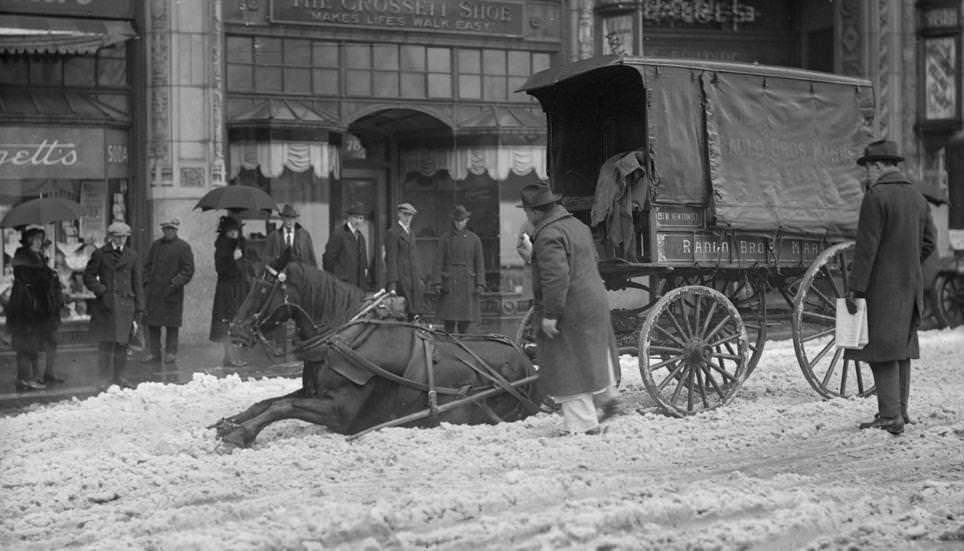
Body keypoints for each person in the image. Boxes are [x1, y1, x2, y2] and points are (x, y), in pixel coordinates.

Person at [846, 139, 937, 436]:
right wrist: (908, 263)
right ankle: (901, 410)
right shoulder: (917, 197)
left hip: (882, 287)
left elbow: (866, 248)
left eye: (868, 168)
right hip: (910, 285)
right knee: (902, 348)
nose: (867, 174)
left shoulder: (876, 196)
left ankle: (889, 416)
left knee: (881, 349)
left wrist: (856, 288)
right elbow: (930, 242)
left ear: (878, 166)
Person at [518, 183, 620, 435]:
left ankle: (583, 426)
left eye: (527, 212)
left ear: (535, 211)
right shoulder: (577, 226)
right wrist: (535, 255)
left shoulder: (548, 235)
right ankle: (607, 399)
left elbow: (556, 278)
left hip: (570, 308)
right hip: (593, 301)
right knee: (593, 355)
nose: (527, 217)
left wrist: (551, 315)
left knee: (567, 364)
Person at [84, 222, 144, 389]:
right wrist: (101, 290)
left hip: (125, 305)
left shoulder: (132, 255)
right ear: (111, 237)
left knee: (122, 344)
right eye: (117, 237)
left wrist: (140, 307)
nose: (121, 240)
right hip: (106, 305)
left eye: (124, 237)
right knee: (105, 343)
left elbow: (137, 282)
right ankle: (103, 378)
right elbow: (88, 276)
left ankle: (120, 376)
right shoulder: (100, 254)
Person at [7, 226, 64, 391]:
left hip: (40, 305)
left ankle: (43, 374)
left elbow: (42, 275)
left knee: (46, 340)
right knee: (26, 342)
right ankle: (25, 379)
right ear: (29, 240)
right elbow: (33, 278)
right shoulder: (23, 255)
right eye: (37, 239)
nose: (40, 242)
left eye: (41, 239)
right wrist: (49, 275)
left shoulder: (38, 255)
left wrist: (49, 270)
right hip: (26, 305)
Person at [142, 218, 195, 364]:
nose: (168, 232)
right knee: (153, 324)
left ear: (176, 230)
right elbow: (147, 265)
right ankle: (154, 353)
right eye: (166, 229)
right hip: (154, 292)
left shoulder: (183, 247)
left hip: (172, 292)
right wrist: (146, 281)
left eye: (171, 229)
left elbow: (188, 270)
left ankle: (171, 353)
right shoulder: (156, 246)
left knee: (172, 325)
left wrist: (175, 283)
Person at [431, 205, 485, 334]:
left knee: (466, 318)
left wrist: (480, 283)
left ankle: (462, 339)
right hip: (450, 281)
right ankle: (450, 339)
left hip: (467, 281)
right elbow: (438, 262)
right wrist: (437, 282)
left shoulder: (474, 239)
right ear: (453, 221)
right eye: (457, 221)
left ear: (467, 220)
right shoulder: (445, 238)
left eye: (462, 221)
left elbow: (479, 263)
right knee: (449, 317)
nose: (459, 224)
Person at [210, 216, 251, 367]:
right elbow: (221, 270)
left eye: (236, 230)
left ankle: (234, 356)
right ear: (225, 232)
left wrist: (241, 256)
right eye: (230, 231)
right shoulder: (222, 247)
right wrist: (232, 259)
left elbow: (246, 267)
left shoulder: (240, 246)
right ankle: (230, 356)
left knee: (238, 322)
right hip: (227, 290)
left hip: (239, 288)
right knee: (228, 322)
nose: (234, 233)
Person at [385, 202, 425, 320]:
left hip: (413, 279)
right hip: (401, 279)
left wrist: (420, 278)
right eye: (405, 214)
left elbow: (415, 257)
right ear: (399, 214)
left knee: (415, 312)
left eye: (410, 215)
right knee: (402, 311)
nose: (407, 218)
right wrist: (392, 284)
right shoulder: (393, 232)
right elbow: (391, 259)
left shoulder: (411, 233)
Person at [322, 202, 372, 290]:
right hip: (342, 285)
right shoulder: (339, 234)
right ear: (349, 218)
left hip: (358, 287)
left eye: (361, 218)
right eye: (356, 217)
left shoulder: (361, 238)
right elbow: (328, 259)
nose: (358, 221)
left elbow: (364, 264)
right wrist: (338, 277)